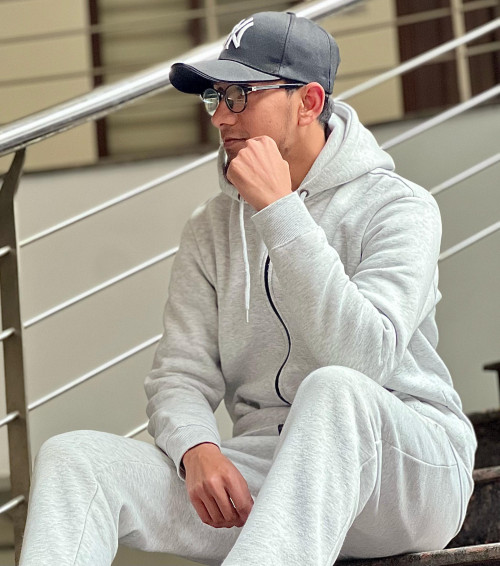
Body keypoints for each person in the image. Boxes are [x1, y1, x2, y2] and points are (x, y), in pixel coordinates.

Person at [19, 11, 476, 566]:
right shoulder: (211, 228)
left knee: (334, 388)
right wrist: (196, 448)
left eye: (240, 95)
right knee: (73, 459)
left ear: (308, 101)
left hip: (404, 473)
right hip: (272, 474)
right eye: (215, 97)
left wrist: (280, 213)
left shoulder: (398, 207)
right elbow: (180, 373)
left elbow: (365, 360)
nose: (220, 116)